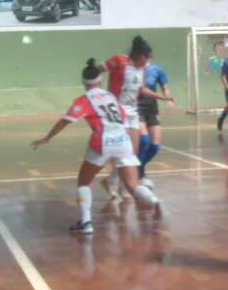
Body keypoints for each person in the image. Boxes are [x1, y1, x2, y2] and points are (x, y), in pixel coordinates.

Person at [30, 59, 160, 235]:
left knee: (83, 182)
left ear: (83, 82)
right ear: (100, 80)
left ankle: (86, 223)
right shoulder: (111, 97)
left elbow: (66, 120)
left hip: (102, 141)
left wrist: (47, 137)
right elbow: (122, 117)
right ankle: (155, 202)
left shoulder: (84, 100)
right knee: (133, 185)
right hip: (123, 140)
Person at [98, 36, 172, 198]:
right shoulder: (118, 61)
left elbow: (142, 90)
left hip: (132, 112)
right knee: (121, 150)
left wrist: (162, 97)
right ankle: (120, 183)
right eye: (146, 58)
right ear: (139, 56)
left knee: (133, 151)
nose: (147, 62)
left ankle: (114, 180)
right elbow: (97, 70)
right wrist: (100, 94)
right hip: (117, 112)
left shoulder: (142, 71)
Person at [137, 62, 174, 182]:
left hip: (152, 109)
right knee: (144, 140)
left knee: (155, 146)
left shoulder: (157, 70)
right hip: (137, 108)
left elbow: (165, 87)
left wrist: (168, 98)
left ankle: (139, 167)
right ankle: (139, 173)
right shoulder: (133, 69)